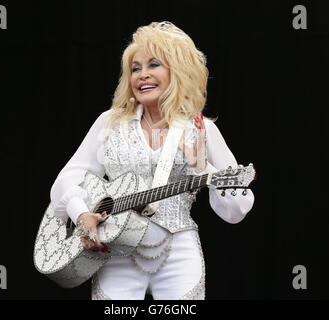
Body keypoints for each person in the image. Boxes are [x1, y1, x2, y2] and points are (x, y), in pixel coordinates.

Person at [50, 21, 254, 300]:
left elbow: (236, 209)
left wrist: (201, 167)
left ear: (178, 71)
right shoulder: (109, 124)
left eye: (153, 64)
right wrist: (82, 214)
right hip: (116, 254)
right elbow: (65, 181)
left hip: (178, 253)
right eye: (136, 68)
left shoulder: (201, 130)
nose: (142, 75)